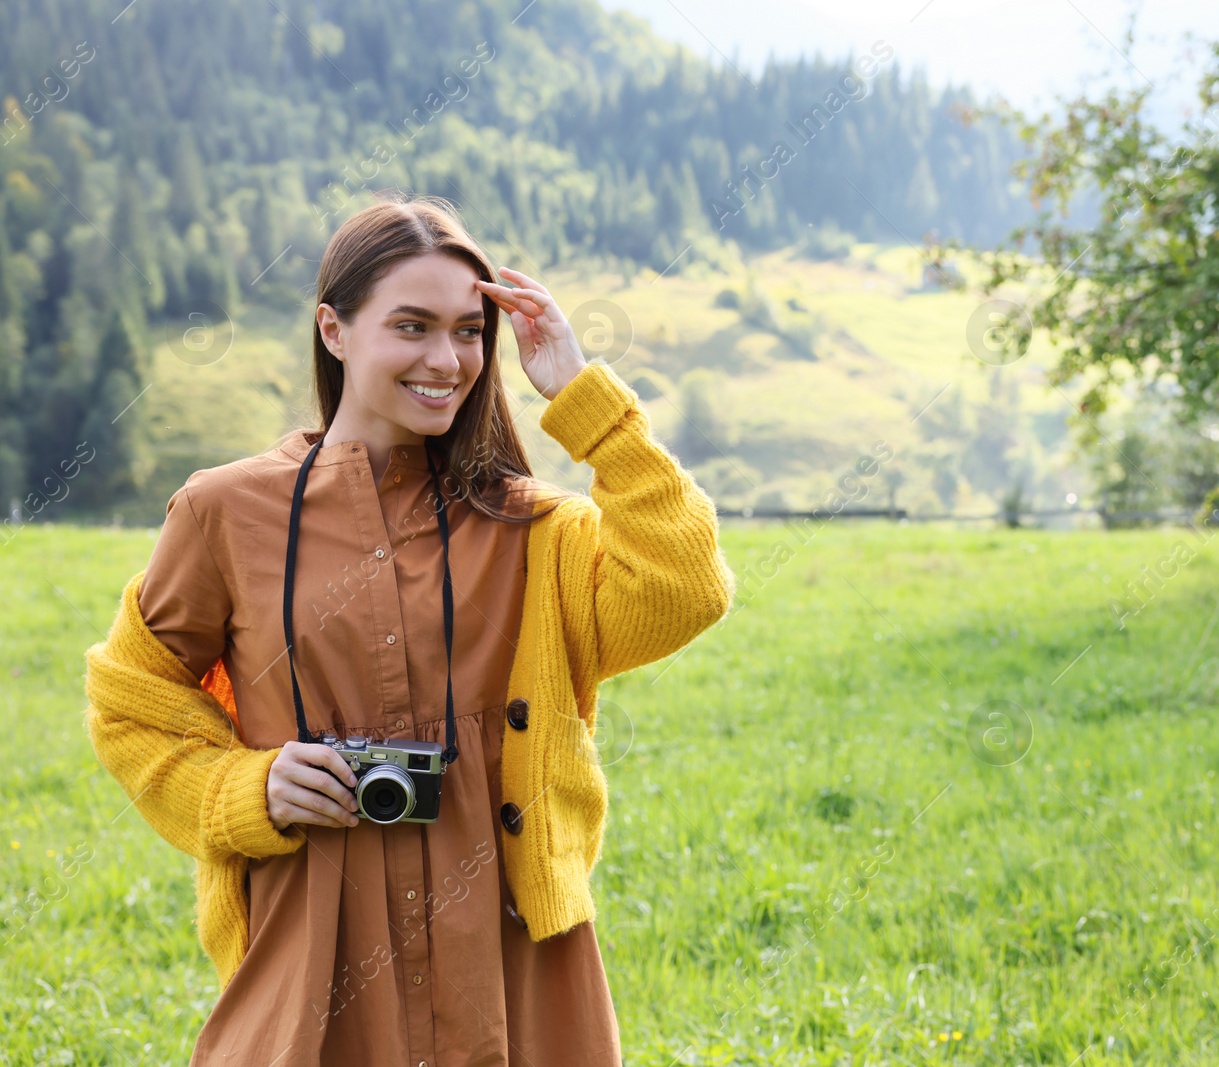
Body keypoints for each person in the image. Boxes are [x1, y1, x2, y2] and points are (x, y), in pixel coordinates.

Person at [82, 194, 735, 1065]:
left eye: (469, 330)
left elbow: (687, 582)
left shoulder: (534, 531)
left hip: (514, 958)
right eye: (413, 325)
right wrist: (244, 789)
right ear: (334, 329)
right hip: (313, 951)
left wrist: (584, 399)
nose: (447, 359)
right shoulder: (225, 512)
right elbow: (131, 699)